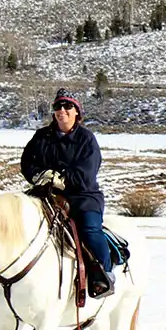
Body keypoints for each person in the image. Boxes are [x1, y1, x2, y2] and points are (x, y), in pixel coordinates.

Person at [21, 90, 113, 298]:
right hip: (46, 193)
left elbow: (87, 171)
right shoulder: (41, 136)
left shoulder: (87, 139)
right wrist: (39, 175)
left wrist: (62, 179)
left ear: (77, 112)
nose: (61, 110)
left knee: (89, 229)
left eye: (67, 106)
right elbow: (27, 162)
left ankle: (104, 275)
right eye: (57, 107)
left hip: (82, 195)